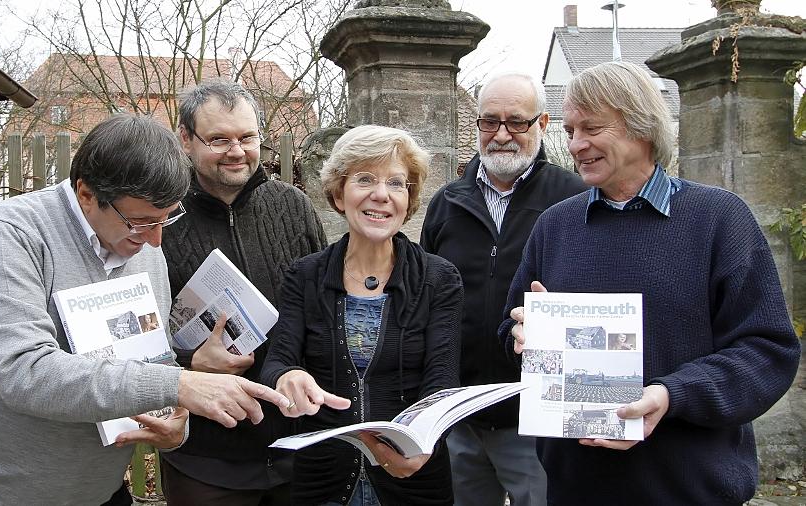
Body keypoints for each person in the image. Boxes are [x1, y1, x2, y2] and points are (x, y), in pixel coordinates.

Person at [0, 114, 290, 505]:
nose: (154, 239)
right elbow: (24, 372)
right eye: (140, 222)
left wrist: (175, 415)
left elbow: (147, 360)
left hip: (97, 491)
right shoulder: (11, 235)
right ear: (85, 193)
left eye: (167, 219)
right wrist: (178, 385)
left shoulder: (145, 249)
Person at [501, 61, 800, 505]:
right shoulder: (555, 226)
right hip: (576, 490)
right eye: (569, 131)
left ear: (641, 127)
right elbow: (508, 331)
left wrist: (671, 395)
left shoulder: (718, 220)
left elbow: (768, 351)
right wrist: (524, 335)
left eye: (592, 128)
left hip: (690, 490)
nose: (576, 145)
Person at [261, 125, 464, 505]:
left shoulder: (439, 278)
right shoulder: (305, 275)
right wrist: (288, 375)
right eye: (365, 179)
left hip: (413, 477)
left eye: (397, 183)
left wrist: (422, 444)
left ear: (410, 198)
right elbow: (277, 361)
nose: (381, 195)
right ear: (339, 193)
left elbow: (442, 380)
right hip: (323, 479)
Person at [420, 72, 586, 506]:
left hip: (537, 420)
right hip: (460, 415)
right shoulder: (447, 203)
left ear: (543, 123)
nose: (501, 135)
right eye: (489, 121)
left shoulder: (576, 200)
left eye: (517, 122)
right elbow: (425, 298)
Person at [160, 78, 327, 505]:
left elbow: (325, 304)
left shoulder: (293, 205)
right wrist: (191, 362)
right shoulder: (160, 218)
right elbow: (134, 330)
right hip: (206, 458)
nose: (236, 151)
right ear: (185, 138)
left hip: (297, 447)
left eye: (247, 137)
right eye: (218, 139)